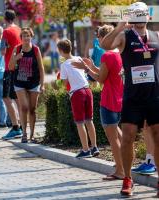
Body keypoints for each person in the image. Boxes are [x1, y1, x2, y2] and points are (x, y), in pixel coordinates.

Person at [101, 2, 159, 197]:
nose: (139, 17)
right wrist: (119, 25)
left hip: (154, 95)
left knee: (157, 136)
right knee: (127, 137)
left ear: (148, 17)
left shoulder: (156, 36)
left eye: (142, 14)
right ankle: (127, 179)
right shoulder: (125, 36)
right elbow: (105, 45)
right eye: (136, 14)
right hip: (133, 97)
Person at [72, 25, 124, 179]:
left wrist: (86, 69)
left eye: (99, 38)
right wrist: (91, 66)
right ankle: (125, 165)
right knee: (119, 134)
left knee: (113, 139)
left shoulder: (107, 55)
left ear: (104, 38)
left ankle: (120, 171)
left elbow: (101, 80)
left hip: (109, 101)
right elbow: (106, 75)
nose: (98, 41)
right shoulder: (119, 53)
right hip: (120, 99)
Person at [58, 39, 99, 158]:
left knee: (80, 122)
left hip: (77, 93)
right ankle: (94, 147)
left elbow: (65, 83)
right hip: (87, 90)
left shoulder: (64, 64)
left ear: (61, 51)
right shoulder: (79, 59)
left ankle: (85, 150)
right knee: (89, 120)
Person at [9, 27, 45, 143]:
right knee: (24, 107)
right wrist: (16, 58)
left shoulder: (35, 50)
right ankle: (24, 133)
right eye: (24, 36)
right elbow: (10, 67)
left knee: (32, 109)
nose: (26, 38)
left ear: (31, 37)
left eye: (28, 35)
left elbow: (41, 68)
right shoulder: (17, 49)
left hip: (34, 82)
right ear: (21, 38)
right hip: (19, 82)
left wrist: (42, 84)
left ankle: (32, 135)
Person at [0, 9, 23, 140]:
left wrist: (5, 47)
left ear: (5, 19)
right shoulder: (19, 29)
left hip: (10, 67)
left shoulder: (6, 32)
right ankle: (22, 126)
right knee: (18, 98)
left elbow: (2, 51)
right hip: (20, 66)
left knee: (6, 98)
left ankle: (15, 127)